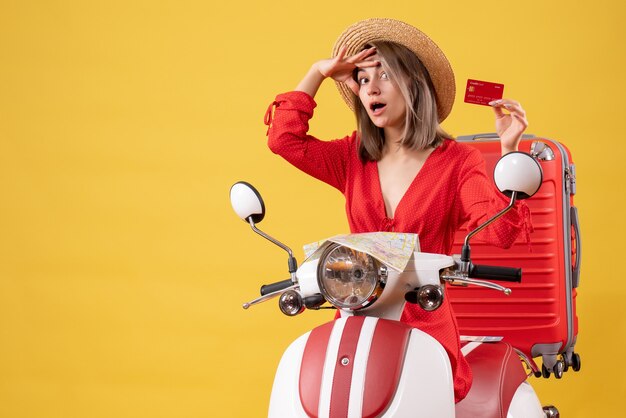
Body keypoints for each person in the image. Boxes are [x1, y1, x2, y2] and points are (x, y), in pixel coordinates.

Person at [263, 18, 531, 403]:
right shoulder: (352, 156)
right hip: (356, 323)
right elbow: (284, 139)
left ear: (415, 84)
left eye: (385, 74)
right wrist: (318, 73)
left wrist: (508, 153)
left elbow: (500, 233)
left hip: (424, 324)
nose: (371, 86)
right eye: (362, 77)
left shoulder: (458, 161)